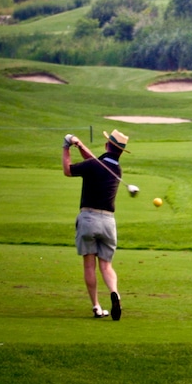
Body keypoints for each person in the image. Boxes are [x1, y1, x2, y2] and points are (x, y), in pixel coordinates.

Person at [63, 129, 128, 320]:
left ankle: (97, 307)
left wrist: (66, 146)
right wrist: (81, 146)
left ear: (107, 145)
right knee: (106, 266)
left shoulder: (94, 165)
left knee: (89, 266)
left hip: (89, 219)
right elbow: (95, 162)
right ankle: (115, 292)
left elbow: (68, 170)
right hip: (108, 221)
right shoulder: (116, 169)